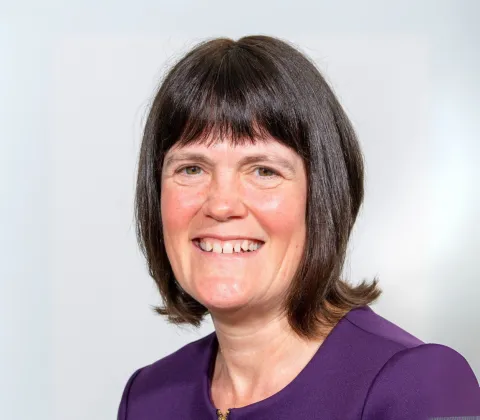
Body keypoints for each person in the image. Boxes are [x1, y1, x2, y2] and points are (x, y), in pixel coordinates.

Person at [117, 35, 480, 419]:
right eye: (191, 169)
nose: (221, 204)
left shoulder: (420, 386)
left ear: (323, 196)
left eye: (263, 170)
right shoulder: (147, 398)